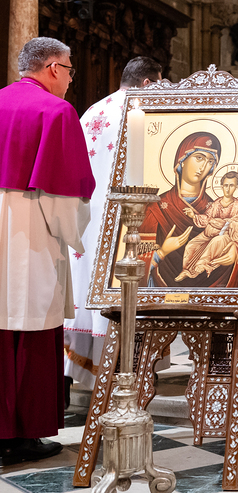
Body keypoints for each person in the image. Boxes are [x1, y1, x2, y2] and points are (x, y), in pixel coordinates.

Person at [1, 37, 95, 464]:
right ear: (54, 68)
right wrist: (74, 235)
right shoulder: (56, 112)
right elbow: (64, 199)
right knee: (30, 329)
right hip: (29, 237)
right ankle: (20, 436)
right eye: (70, 70)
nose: (71, 80)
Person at [64, 56, 161, 391]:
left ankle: (78, 373)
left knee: (87, 283)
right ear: (147, 83)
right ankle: (127, 372)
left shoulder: (92, 111)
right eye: (159, 84)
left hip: (88, 217)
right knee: (125, 288)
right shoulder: (143, 113)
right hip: (128, 218)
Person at [137, 131, 238, 288]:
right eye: (199, 158)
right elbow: (134, 264)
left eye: (210, 161)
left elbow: (233, 231)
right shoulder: (156, 208)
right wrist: (162, 252)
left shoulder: (214, 205)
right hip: (160, 297)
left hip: (208, 295)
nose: (203, 166)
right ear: (182, 160)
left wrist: (236, 251)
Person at [177, 171, 238, 281]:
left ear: (236, 187)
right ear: (222, 186)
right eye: (226, 185)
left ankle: (199, 267)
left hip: (224, 236)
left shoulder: (237, 205)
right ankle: (186, 271)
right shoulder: (217, 203)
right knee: (191, 245)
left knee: (216, 241)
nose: (228, 189)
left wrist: (224, 222)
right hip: (207, 234)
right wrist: (193, 216)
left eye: (231, 185)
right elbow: (207, 217)